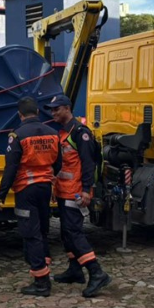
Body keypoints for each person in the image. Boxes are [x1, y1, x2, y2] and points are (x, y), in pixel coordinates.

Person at [45, 95, 112, 297]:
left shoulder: (81, 133)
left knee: (73, 232)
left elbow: (89, 163)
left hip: (76, 192)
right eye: (51, 109)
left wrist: (86, 190)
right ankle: (75, 270)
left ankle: (96, 272)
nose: (53, 113)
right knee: (66, 232)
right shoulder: (64, 133)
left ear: (67, 108)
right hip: (65, 191)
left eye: (56, 109)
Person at [0, 96, 61, 297]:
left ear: (20, 114)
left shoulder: (17, 135)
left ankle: (41, 283)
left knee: (30, 233)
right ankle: (43, 266)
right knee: (42, 231)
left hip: (26, 190)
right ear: (38, 112)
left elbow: (11, 167)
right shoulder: (53, 133)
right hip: (45, 188)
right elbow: (58, 163)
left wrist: (1, 194)